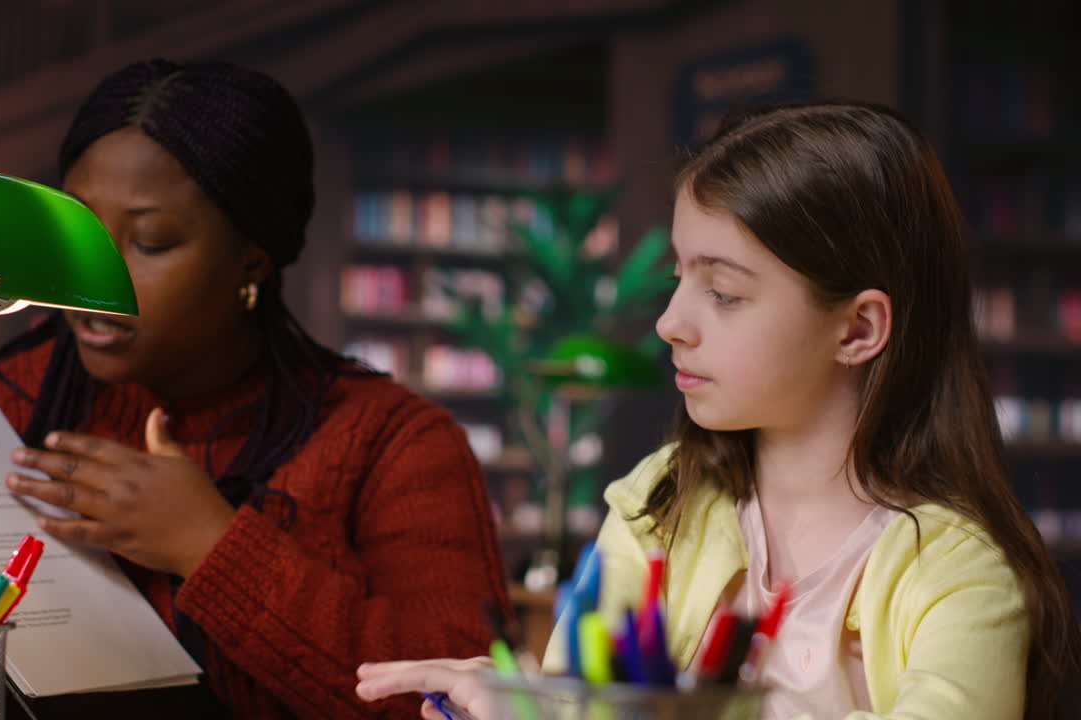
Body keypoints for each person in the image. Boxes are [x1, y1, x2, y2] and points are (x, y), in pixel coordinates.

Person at [0, 58, 510, 719]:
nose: (93, 279)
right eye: (75, 230)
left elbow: (457, 702)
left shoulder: (393, 443)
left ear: (250, 259)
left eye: (151, 242)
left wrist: (212, 547)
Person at [355, 101, 1081, 719]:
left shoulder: (958, 573)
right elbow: (586, 698)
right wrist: (530, 703)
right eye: (679, 277)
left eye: (725, 293)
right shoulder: (659, 499)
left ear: (858, 329)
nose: (671, 321)